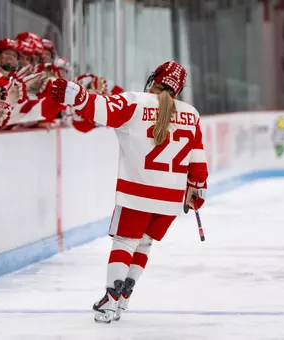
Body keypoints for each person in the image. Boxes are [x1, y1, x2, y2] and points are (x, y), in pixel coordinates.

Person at [49, 61, 208, 323]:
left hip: (138, 192)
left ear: (154, 80)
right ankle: (123, 298)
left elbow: (102, 110)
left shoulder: (136, 102)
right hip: (170, 199)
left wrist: (75, 95)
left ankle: (110, 301)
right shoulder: (191, 113)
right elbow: (198, 157)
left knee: (124, 242)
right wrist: (198, 188)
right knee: (144, 243)